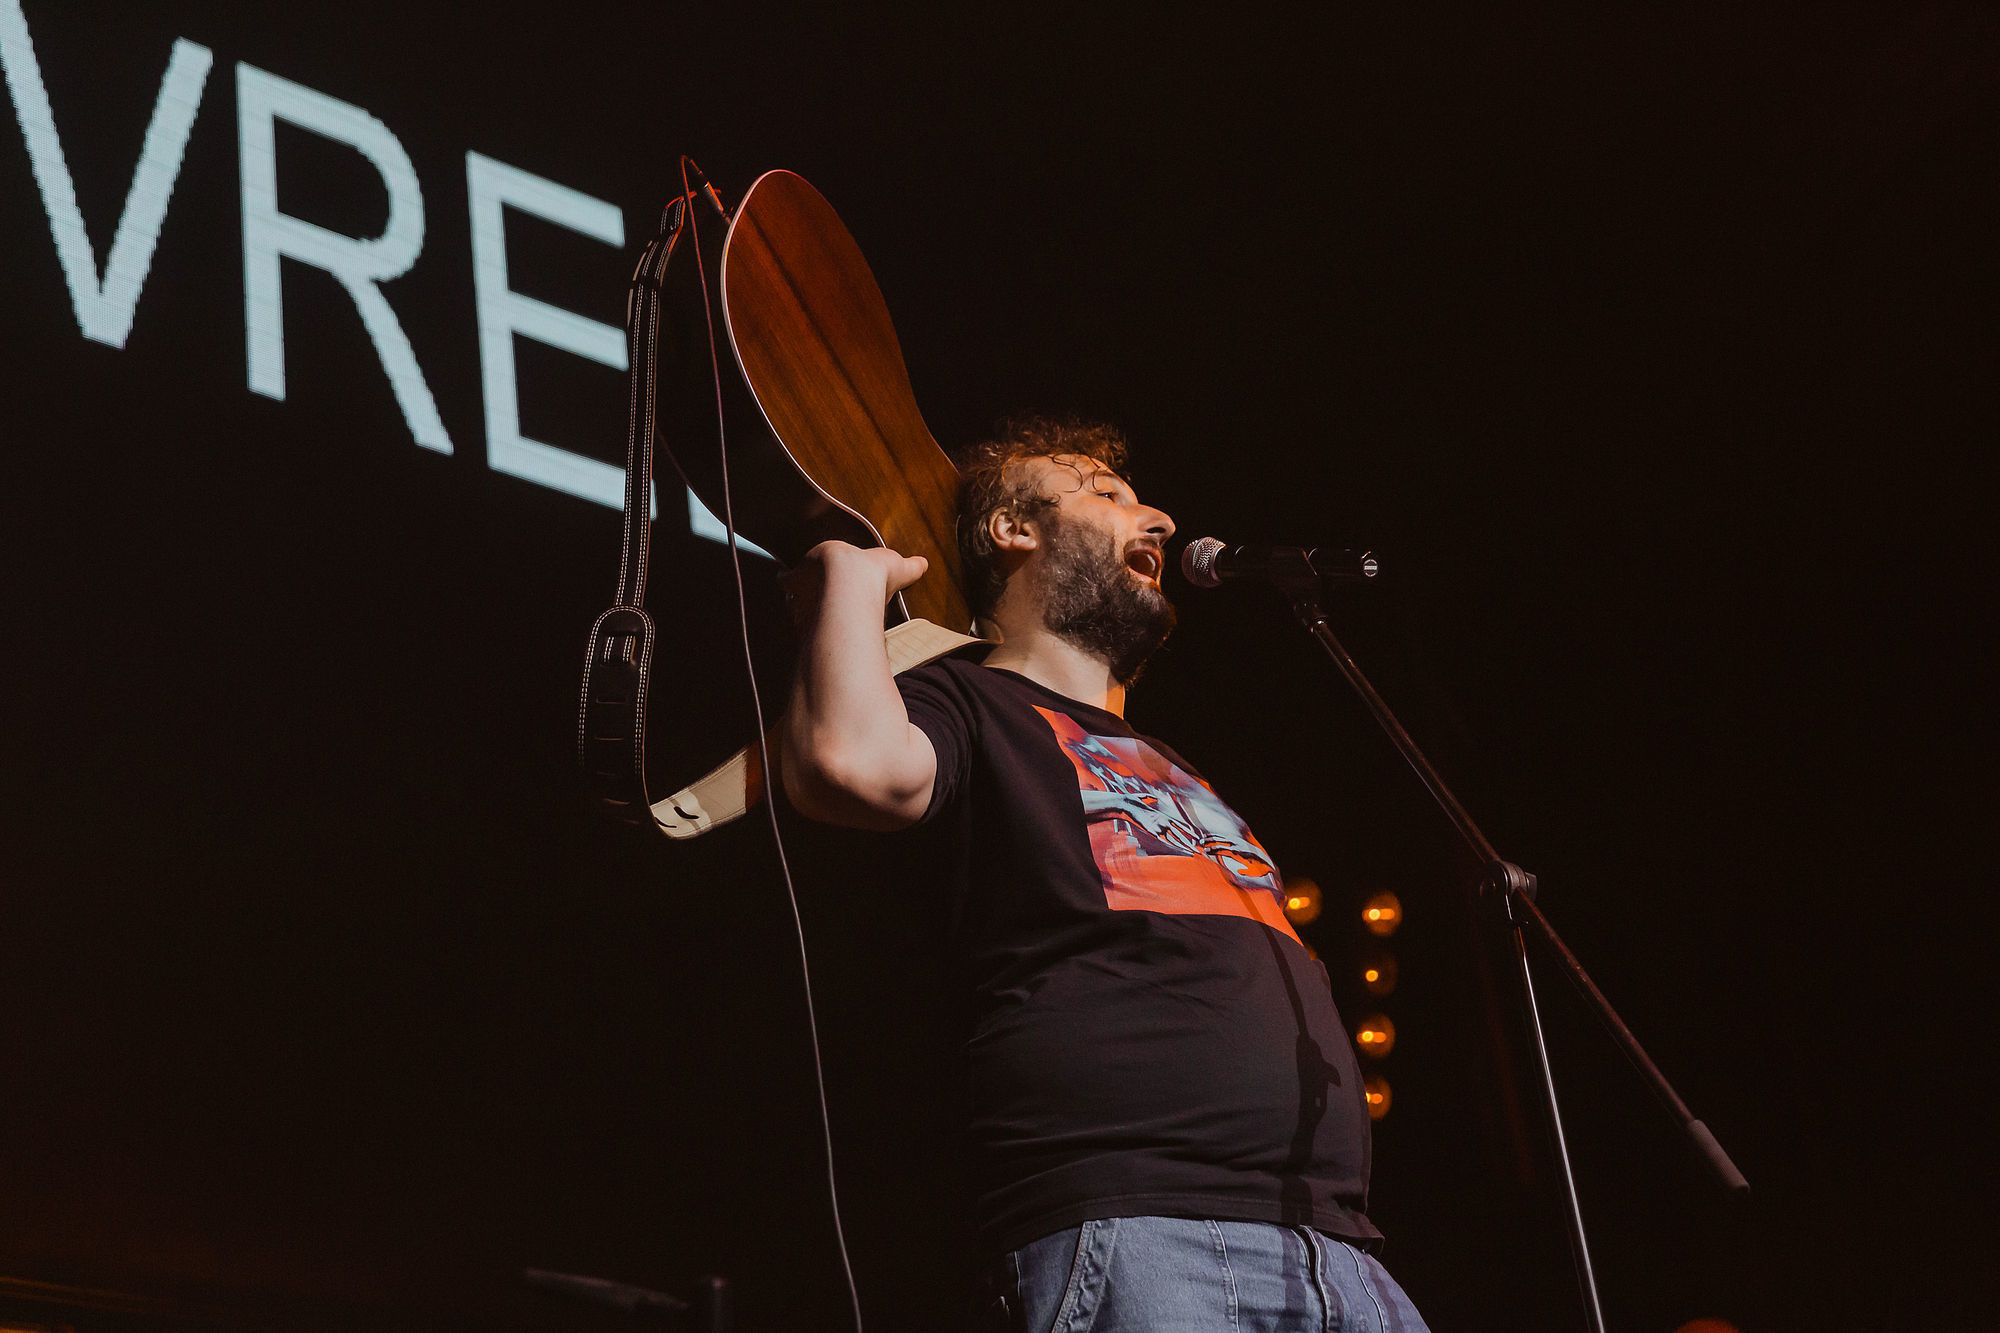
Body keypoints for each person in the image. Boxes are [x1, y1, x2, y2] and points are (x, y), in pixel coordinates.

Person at [780, 417, 1430, 1332]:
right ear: (1013, 530)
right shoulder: (974, 702)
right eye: (1105, 494)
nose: (1158, 519)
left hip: (1335, 1250)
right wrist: (851, 578)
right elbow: (847, 763)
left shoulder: (1178, 764)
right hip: (1147, 1233)